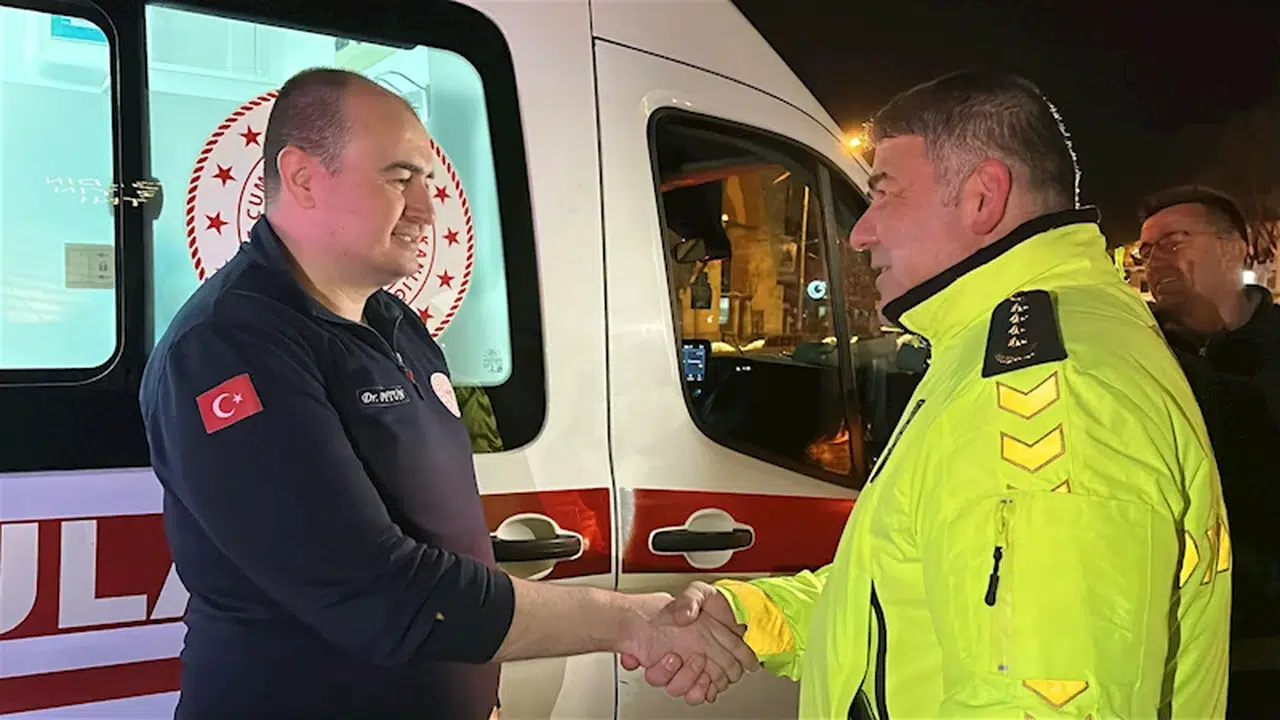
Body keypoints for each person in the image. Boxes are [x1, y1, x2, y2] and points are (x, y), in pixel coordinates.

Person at [139, 67, 756, 720]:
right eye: (399, 178)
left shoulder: (396, 325)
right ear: (303, 178)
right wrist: (631, 621)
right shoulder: (227, 346)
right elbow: (377, 591)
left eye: (427, 182)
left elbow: (440, 538)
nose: (427, 210)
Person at [629, 70, 1233, 718]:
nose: (861, 232)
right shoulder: (1004, 347)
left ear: (982, 197)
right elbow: (908, 594)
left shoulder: (1045, 394)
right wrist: (750, 616)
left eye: (885, 194)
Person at [1138, 185, 1280, 716]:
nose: (1155, 260)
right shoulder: (1138, 357)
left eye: (1173, 241)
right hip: (1178, 647)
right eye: (1146, 250)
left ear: (1234, 248)